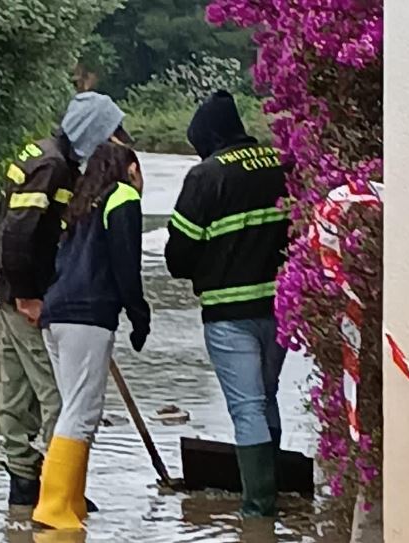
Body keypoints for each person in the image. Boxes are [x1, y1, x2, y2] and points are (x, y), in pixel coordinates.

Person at [0, 92, 131, 506]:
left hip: (10, 290)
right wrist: (31, 296)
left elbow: (0, 214)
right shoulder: (53, 167)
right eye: (112, 133)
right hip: (25, 297)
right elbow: (15, 231)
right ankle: (59, 492)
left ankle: (23, 485)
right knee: (58, 393)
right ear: (94, 134)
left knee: (16, 390)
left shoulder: (49, 157)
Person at [164, 90, 290, 517]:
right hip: (281, 307)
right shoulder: (280, 164)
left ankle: (258, 508)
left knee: (247, 406)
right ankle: (278, 486)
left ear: (210, 138)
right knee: (268, 395)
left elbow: (178, 254)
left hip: (228, 312)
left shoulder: (206, 176)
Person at [32, 142, 150, 530]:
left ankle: (72, 503)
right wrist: (139, 315)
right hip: (88, 316)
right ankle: (51, 510)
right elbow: (126, 264)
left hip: (57, 314)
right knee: (82, 413)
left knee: (74, 409)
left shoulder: (84, 201)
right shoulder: (124, 197)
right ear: (131, 168)